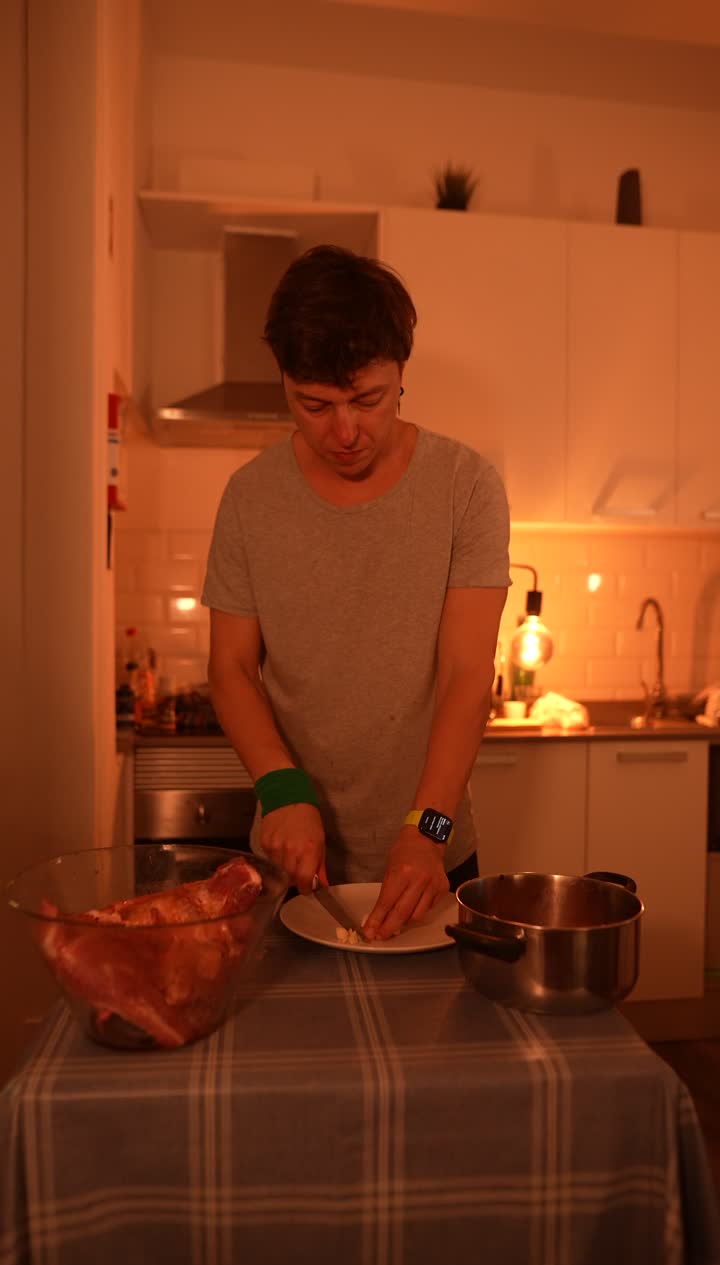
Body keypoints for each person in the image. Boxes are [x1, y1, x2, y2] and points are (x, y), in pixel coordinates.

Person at [201, 244, 510, 941]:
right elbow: (229, 668)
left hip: (431, 857)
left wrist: (427, 830)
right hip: (292, 858)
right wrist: (281, 791)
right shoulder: (250, 498)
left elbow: (467, 677)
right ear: (283, 381)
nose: (343, 432)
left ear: (401, 375)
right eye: (314, 405)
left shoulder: (465, 488)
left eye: (366, 400)